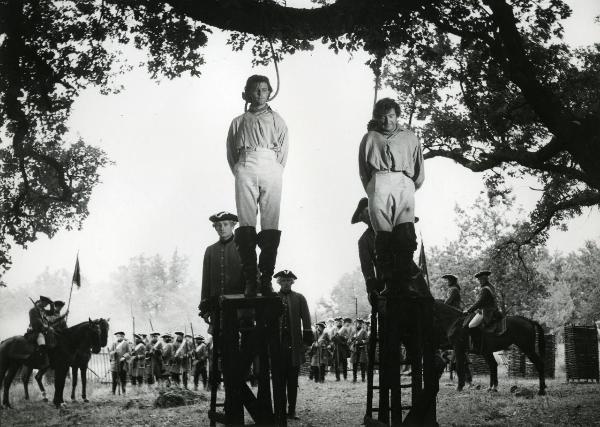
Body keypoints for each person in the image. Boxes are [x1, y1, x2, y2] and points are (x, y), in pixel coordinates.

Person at [226, 75, 289, 297]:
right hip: (246, 164)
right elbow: (231, 153)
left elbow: (283, 153)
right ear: (248, 92)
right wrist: (241, 169)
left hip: (270, 166)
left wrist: (273, 169)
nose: (260, 94)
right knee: (246, 222)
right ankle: (251, 280)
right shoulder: (238, 121)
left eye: (264, 90)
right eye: (255, 90)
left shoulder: (277, 120)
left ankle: (265, 280)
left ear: (269, 92)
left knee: (270, 222)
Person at [358, 98, 425, 295]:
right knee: (383, 236)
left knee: (405, 233)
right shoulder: (369, 138)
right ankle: (388, 282)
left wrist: (410, 186)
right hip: (378, 181)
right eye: (382, 117)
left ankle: (405, 281)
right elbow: (363, 170)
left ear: (397, 116)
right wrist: (373, 188)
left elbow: (419, 169)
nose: (387, 121)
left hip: (403, 181)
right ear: (376, 118)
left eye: (391, 116)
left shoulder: (409, 137)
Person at [275, 269, 313, 420]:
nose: (285, 283)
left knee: (292, 380)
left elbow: (307, 321)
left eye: (288, 281)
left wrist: (306, 342)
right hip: (277, 345)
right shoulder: (273, 297)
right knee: (278, 380)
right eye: (283, 281)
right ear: (278, 282)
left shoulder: (299, 298)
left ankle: (292, 410)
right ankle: (280, 410)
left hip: (294, 346)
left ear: (292, 282)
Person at [198, 211, 244, 327]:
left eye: (225, 224)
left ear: (233, 225)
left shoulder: (243, 247)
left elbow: (252, 277)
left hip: (240, 306)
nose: (222, 228)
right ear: (215, 228)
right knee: (220, 342)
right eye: (218, 225)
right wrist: (205, 307)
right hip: (216, 308)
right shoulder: (210, 250)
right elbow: (206, 281)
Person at [27, 296, 53, 369]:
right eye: (46, 303)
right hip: (35, 331)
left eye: (47, 304)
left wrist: (52, 304)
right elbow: (36, 322)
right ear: (42, 302)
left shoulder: (42, 310)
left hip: (43, 330)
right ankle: (40, 362)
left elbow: (51, 312)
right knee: (42, 344)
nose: (46, 305)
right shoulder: (33, 310)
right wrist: (45, 326)